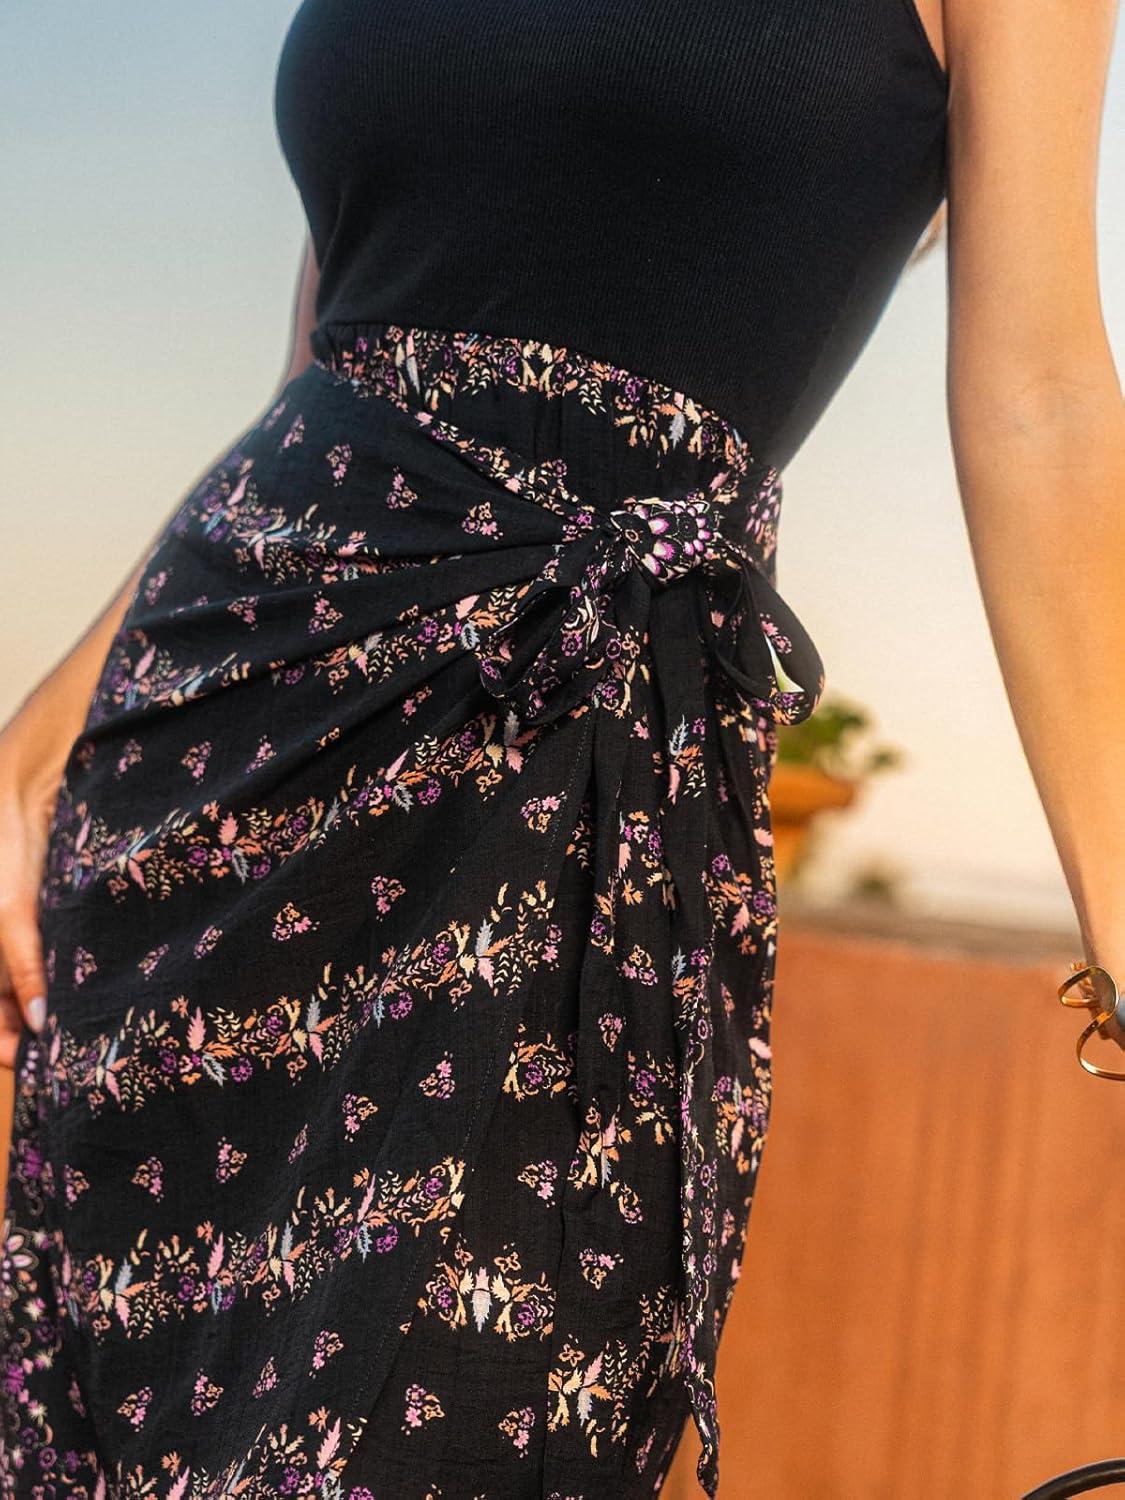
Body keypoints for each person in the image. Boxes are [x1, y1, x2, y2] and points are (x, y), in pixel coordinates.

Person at [0, 1, 1122, 1495]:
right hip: (204, 806)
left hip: (567, 820)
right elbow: (322, 371)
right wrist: (39, 741)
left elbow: (1042, 399)